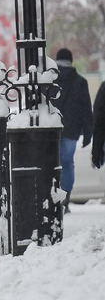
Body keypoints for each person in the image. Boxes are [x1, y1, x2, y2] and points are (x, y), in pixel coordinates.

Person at [51, 48, 93, 213]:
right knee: (67, 162)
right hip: (71, 129)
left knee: (52, 163)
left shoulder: (51, 79)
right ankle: (65, 198)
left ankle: (53, 196)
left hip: (52, 128)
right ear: (71, 60)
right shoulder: (80, 81)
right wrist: (88, 133)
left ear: (57, 60)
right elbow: (86, 109)